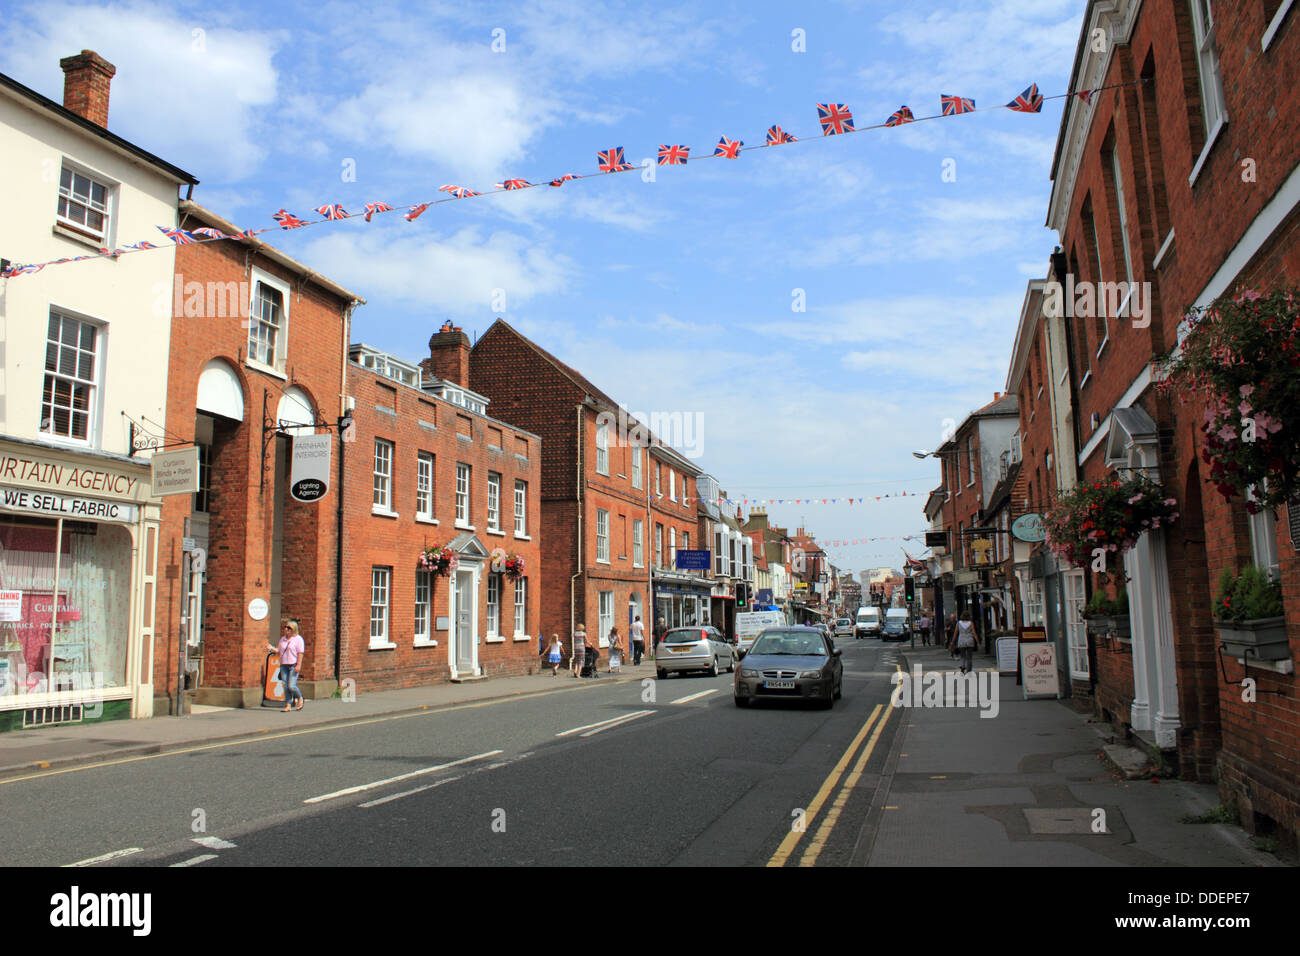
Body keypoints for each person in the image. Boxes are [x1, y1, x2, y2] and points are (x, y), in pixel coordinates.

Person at [265, 619, 305, 712]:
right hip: (284, 665)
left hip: (293, 665)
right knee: (286, 686)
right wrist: (271, 648)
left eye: (289, 628)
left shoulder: (298, 639)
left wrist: (298, 665)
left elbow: (300, 653)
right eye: (285, 627)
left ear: (293, 629)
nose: (286, 629)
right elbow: (279, 651)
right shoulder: (282, 639)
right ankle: (288, 704)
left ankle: (300, 697)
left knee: (291, 685)